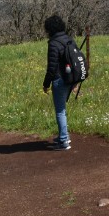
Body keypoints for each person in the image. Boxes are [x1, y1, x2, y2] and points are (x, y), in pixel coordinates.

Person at [42, 15, 74, 151]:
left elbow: (52, 67)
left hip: (59, 79)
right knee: (63, 110)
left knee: (60, 111)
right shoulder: (69, 39)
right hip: (71, 78)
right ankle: (64, 135)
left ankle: (63, 141)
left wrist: (46, 83)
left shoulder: (54, 43)